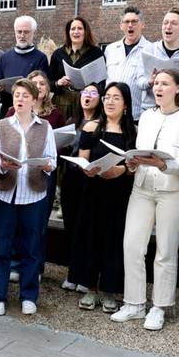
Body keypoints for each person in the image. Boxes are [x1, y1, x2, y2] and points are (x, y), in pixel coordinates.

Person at [112, 69, 179, 331]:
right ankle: (134, 303)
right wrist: (132, 162)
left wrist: (163, 164)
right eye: (156, 84)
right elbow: (141, 151)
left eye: (164, 83)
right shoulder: (149, 116)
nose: (158, 88)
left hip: (173, 189)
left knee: (165, 249)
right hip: (142, 186)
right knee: (132, 244)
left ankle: (159, 307)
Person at [0, 79, 57, 316]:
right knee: (1, 246)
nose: (19, 99)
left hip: (33, 195)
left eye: (25, 96)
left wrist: (47, 165)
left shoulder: (45, 127)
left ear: (34, 99)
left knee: (31, 247)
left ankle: (29, 295)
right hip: (4, 193)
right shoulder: (2, 125)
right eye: (16, 95)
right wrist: (3, 166)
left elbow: (53, 159)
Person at [68, 83, 137, 312]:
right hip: (93, 189)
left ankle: (109, 290)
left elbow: (133, 164)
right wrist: (88, 168)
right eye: (107, 97)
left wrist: (121, 171)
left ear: (125, 104)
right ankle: (90, 287)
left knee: (113, 238)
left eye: (115, 98)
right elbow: (83, 157)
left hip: (119, 193)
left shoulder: (132, 131)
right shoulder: (91, 126)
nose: (109, 101)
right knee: (91, 236)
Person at [58, 81, 102, 288]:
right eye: (85, 91)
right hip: (70, 177)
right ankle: (73, 273)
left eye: (93, 93)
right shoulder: (71, 121)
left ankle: (86, 275)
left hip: (90, 179)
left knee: (87, 228)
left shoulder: (101, 124)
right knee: (71, 226)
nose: (88, 95)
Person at [135, 9, 179, 113]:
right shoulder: (148, 50)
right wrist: (150, 82)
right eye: (165, 23)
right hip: (151, 111)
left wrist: (174, 91)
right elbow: (139, 81)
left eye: (174, 23)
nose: (168, 26)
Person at [0, 15, 49, 116]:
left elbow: (44, 86)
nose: (22, 35)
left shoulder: (41, 58)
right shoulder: (5, 57)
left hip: (31, 110)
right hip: (7, 109)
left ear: (34, 32)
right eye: (19, 31)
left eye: (26, 32)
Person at [48, 17, 105, 121]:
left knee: (83, 132)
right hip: (62, 103)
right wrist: (58, 83)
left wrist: (90, 87)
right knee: (61, 133)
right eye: (72, 29)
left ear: (86, 31)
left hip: (86, 102)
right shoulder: (58, 54)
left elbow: (102, 84)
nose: (76, 32)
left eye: (80, 28)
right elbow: (49, 83)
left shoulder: (96, 53)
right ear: (68, 32)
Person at [104, 8, 150, 121]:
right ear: (121, 25)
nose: (130, 25)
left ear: (142, 24)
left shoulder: (151, 50)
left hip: (136, 116)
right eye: (126, 22)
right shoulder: (110, 49)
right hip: (111, 115)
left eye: (134, 22)